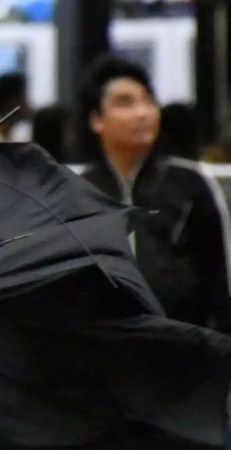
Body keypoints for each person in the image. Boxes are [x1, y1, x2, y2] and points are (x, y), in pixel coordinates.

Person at [78, 55, 231, 333]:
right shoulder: (77, 191)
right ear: (97, 120)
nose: (142, 113)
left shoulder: (191, 184)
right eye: (126, 103)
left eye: (148, 101)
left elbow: (220, 280)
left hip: (184, 354)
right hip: (104, 358)